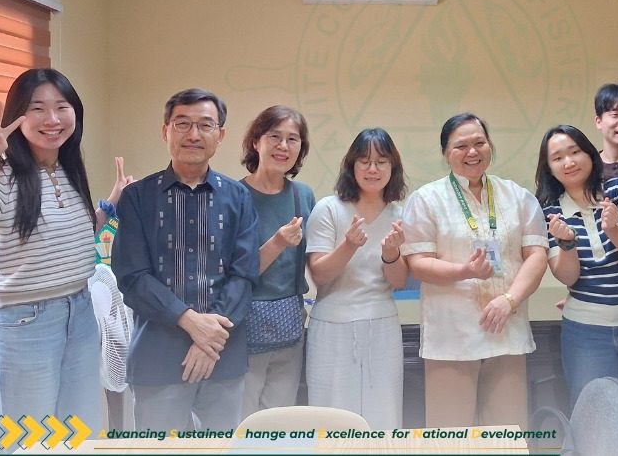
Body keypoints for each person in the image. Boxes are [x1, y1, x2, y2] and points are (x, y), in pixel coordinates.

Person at [112, 88, 259, 430]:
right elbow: (133, 276)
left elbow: (244, 274)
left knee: (223, 449)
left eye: (205, 125)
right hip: (157, 357)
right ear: (165, 131)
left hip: (223, 356)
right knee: (159, 450)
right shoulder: (137, 197)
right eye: (182, 124)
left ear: (220, 135)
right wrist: (192, 323)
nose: (194, 134)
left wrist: (208, 341)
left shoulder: (238, 196)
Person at [402, 113, 548, 428]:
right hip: (452, 336)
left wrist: (510, 299)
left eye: (479, 143)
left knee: (508, 433)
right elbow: (418, 263)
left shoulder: (517, 196)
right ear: (446, 153)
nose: (472, 152)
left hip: (507, 332)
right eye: (461, 146)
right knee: (451, 437)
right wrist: (464, 270)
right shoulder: (426, 199)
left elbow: (537, 255)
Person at [0, 69, 104, 434]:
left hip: (80, 312)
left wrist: (111, 206)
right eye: (37, 108)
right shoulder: (0, 175)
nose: (52, 119)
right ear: (17, 116)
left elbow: (69, 239)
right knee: (29, 439)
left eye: (62, 107)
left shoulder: (68, 168)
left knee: (78, 433)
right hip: (24, 321)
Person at [534, 125, 618, 408]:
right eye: (558, 158)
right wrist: (567, 244)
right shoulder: (549, 211)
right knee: (594, 414)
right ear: (549, 168)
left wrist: (614, 229)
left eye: (575, 152)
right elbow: (568, 277)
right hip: (586, 331)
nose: (569, 162)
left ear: (590, 154)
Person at [305, 128, 408, 429]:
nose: (373, 169)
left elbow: (400, 281)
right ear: (351, 165)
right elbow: (320, 274)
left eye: (381, 161)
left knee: (384, 416)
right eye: (364, 161)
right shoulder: (329, 208)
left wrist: (391, 253)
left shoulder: (400, 214)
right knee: (331, 419)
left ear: (393, 167)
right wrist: (349, 245)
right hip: (332, 327)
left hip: (382, 325)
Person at [239, 106, 315, 418]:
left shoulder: (303, 195)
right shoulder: (235, 195)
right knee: (242, 420)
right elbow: (235, 274)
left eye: (292, 139)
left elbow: (314, 260)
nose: (283, 146)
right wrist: (278, 242)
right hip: (242, 327)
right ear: (256, 141)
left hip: (290, 323)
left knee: (280, 420)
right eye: (275, 137)